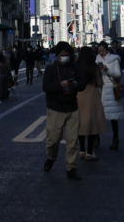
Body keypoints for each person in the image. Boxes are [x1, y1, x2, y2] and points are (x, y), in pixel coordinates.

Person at [42, 42, 85, 180]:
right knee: (53, 140)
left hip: (72, 107)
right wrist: (60, 85)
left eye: (67, 55)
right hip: (55, 108)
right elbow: (46, 87)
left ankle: (71, 167)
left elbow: (82, 84)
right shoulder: (51, 69)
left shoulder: (75, 67)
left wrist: (76, 84)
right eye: (62, 55)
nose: (64, 57)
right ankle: (51, 157)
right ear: (57, 55)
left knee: (73, 141)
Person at [75, 46, 105, 161]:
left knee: (80, 122)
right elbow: (100, 83)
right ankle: (90, 151)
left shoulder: (76, 66)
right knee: (92, 123)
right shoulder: (94, 67)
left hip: (78, 95)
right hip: (92, 95)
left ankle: (82, 150)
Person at [97, 42, 124, 150]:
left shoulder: (114, 59)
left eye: (102, 50)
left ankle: (115, 138)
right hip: (100, 89)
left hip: (111, 89)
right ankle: (96, 138)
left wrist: (107, 69)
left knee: (113, 117)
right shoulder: (97, 59)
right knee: (98, 116)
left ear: (106, 49)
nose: (101, 52)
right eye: (99, 50)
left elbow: (118, 74)